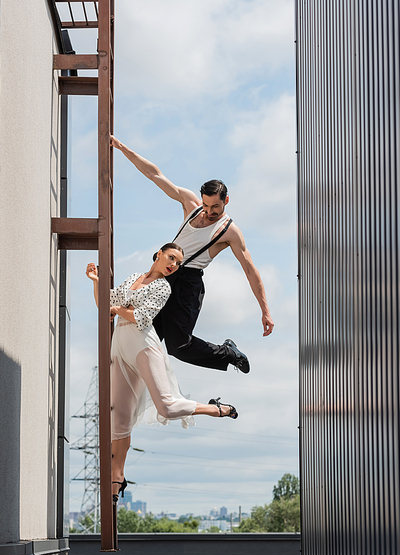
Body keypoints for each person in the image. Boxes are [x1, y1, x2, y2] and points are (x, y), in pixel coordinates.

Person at [86, 244, 238, 501]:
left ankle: (215, 409)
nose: (173, 265)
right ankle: (116, 479)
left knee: (166, 407)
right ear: (158, 254)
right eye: (171, 258)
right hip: (120, 346)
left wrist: (117, 309)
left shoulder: (163, 287)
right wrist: (96, 281)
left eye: (177, 263)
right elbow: (106, 303)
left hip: (143, 345)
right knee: (119, 419)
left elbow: (141, 318)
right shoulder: (135, 277)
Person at [111, 136, 275, 374]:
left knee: (179, 346)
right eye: (206, 206)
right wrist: (122, 147)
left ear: (226, 201)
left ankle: (228, 353)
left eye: (215, 208)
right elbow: (154, 175)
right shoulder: (190, 204)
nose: (209, 212)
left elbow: (250, 270)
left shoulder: (230, 231)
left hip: (188, 283)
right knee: (140, 330)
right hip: (163, 274)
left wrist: (265, 310)